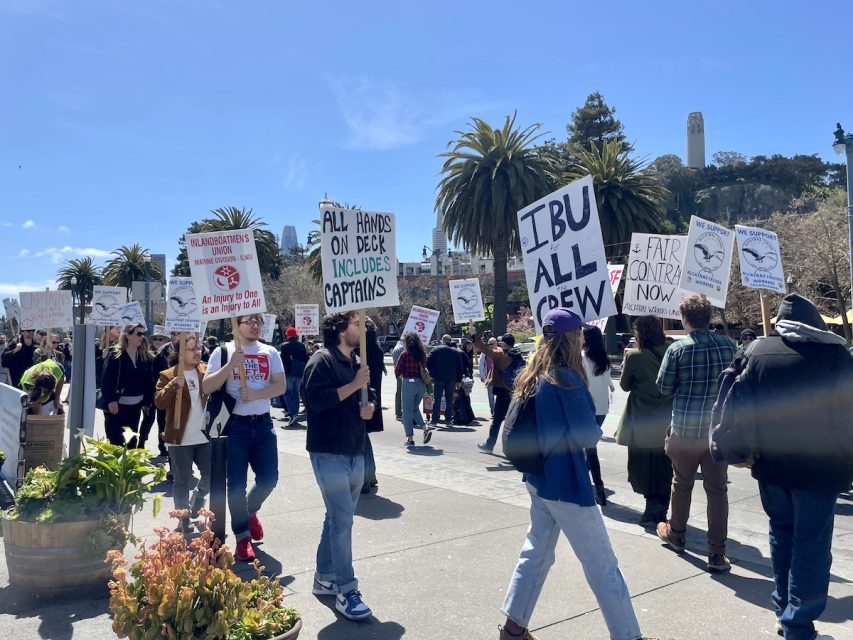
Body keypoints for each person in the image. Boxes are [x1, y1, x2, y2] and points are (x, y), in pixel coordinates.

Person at [498, 308, 656, 640]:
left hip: (539, 478)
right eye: (580, 333)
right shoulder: (567, 378)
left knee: (537, 552)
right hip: (566, 482)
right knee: (603, 566)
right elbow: (587, 436)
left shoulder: (533, 374)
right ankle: (629, 636)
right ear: (573, 338)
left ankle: (513, 628)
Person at [714, 294, 853, 640]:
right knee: (811, 545)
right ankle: (798, 623)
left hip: (771, 466)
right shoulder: (837, 356)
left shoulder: (756, 352)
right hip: (821, 470)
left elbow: (737, 407)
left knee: (782, 534)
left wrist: (739, 450)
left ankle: (784, 610)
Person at [301, 311, 377, 621]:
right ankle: (347, 589)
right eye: (356, 324)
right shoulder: (322, 359)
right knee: (343, 520)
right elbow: (315, 401)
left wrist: (369, 406)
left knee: (336, 517)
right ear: (340, 329)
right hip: (329, 451)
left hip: (354, 450)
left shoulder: (356, 363)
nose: (362, 328)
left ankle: (324, 576)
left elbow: (364, 398)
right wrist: (354, 385)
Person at [656, 294, 737, 572]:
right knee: (717, 490)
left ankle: (676, 534)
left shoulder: (678, 349)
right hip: (718, 431)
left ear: (685, 318)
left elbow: (664, 388)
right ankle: (717, 553)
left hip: (686, 430)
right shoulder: (730, 345)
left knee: (682, 484)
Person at [202, 313, 285, 562]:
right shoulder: (223, 351)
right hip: (235, 427)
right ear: (237, 325)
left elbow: (280, 386)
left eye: (258, 322)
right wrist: (231, 365)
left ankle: (249, 511)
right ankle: (242, 536)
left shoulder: (270, 352)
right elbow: (207, 387)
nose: (255, 326)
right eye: (249, 321)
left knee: (269, 479)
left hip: (262, 425)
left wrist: (258, 394)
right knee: (236, 484)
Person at [615, 316, 675, 527]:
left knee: (643, 465)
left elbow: (624, 385)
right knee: (665, 464)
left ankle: (651, 507)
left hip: (641, 419)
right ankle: (663, 506)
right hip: (668, 417)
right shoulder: (672, 349)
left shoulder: (634, 356)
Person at [154, 335, 211, 530]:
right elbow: (159, 402)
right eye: (191, 349)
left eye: (199, 348)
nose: (198, 352)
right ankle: (183, 518)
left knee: (211, 476)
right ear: (179, 353)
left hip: (205, 436)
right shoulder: (168, 374)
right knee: (182, 480)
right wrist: (173, 385)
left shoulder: (206, 371)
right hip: (179, 438)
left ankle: (197, 500)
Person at [100, 323, 155, 448]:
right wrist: (111, 400)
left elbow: (148, 381)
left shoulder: (145, 356)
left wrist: (147, 402)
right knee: (116, 441)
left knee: (131, 440)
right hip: (117, 407)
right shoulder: (115, 355)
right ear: (128, 335)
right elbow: (106, 379)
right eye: (138, 333)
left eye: (143, 334)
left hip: (135, 407)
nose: (142, 337)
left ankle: (129, 467)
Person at [472, 332, 525, 453]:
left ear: (504, 344)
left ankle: (489, 445)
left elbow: (484, 350)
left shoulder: (500, 355)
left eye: (501, 342)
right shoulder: (518, 355)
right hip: (514, 391)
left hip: (502, 392)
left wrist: (475, 337)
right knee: (513, 421)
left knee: (496, 421)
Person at [581, 326, 614, 506]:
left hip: (587, 407)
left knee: (589, 449)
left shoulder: (582, 358)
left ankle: (599, 488)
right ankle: (588, 484)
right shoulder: (604, 358)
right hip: (602, 408)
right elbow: (610, 383)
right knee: (589, 447)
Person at [395, 332, 433, 447]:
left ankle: (410, 438)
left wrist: (401, 376)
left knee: (406, 411)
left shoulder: (404, 354)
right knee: (414, 408)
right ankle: (425, 428)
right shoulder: (422, 355)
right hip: (421, 384)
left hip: (409, 383)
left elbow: (397, 370)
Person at [362, 318, 386, 491]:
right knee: (363, 438)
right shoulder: (376, 348)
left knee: (359, 440)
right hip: (373, 396)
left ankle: (365, 478)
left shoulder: (361, 350)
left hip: (364, 396)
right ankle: (370, 475)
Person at [426, 334, 463, 428]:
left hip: (439, 378)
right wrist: (459, 380)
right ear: (450, 341)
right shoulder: (455, 351)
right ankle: (448, 421)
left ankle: (434, 420)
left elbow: (428, 362)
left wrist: (433, 374)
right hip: (452, 379)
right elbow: (460, 367)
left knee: (437, 399)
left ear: (442, 340)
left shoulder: (436, 349)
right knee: (449, 400)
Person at [280, 326, 310, 427]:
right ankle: (295, 413)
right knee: (296, 393)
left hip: (289, 372)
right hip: (299, 372)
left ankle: (292, 414)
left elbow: (283, 360)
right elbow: (306, 359)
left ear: (288, 335)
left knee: (287, 393)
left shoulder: (284, 346)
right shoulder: (301, 346)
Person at [479, 337, 498, 416]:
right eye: (489, 344)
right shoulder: (485, 353)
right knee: (490, 396)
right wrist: (482, 376)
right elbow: (481, 364)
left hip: (499, 378)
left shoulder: (500, 351)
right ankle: (493, 411)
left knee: (499, 396)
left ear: (496, 343)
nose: (491, 345)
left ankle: (498, 411)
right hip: (489, 378)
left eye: (492, 344)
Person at [391, 338, 405, 421]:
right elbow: (398, 364)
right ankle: (399, 413)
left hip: (400, 374)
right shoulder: (399, 349)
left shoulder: (397, 348)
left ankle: (399, 412)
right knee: (400, 393)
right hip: (401, 375)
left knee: (400, 392)